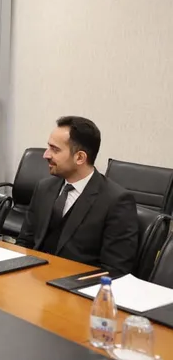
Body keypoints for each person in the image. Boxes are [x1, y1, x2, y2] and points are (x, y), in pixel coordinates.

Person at [16, 116, 138, 274]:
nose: (46, 155)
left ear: (80, 157)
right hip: (34, 277)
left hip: (77, 285)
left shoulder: (116, 201)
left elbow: (114, 270)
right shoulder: (44, 188)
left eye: (55, 149)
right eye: (48, 147)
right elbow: (25, 241)